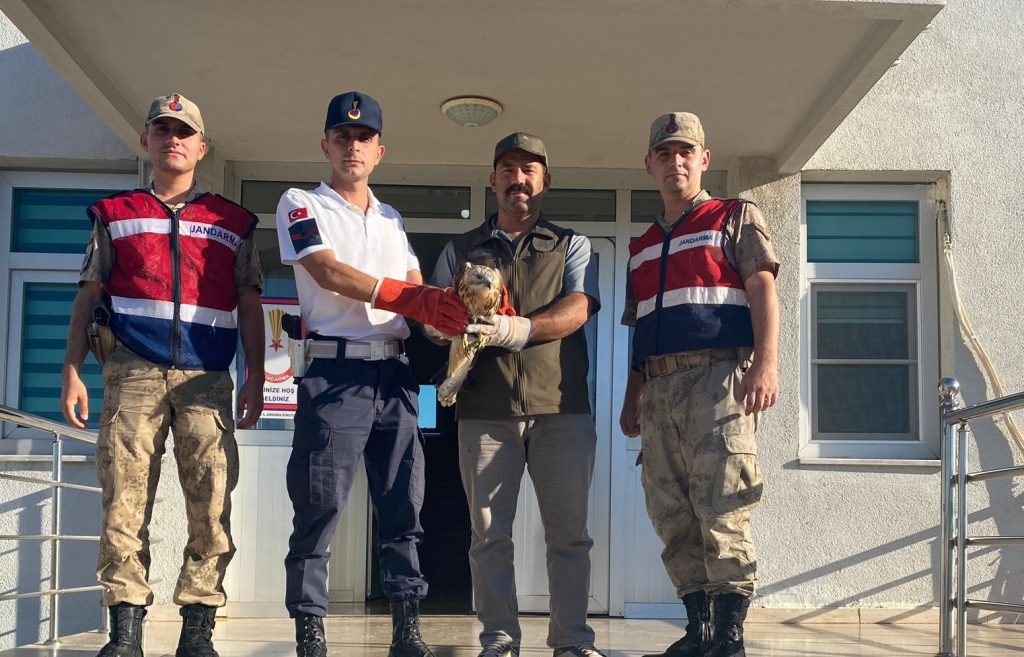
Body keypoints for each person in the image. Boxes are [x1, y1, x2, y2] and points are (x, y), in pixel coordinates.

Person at [60, 93, 266, 657]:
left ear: (202, 147)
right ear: (146, 140)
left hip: (207, 378)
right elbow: (88, 295)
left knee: (211, 503)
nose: (173, 139)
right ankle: (125, 631)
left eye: (184, 132)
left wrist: (254, 376)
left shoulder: (232, 222)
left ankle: (198, 629)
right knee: (123, 502)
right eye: (162, 130)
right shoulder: (115, 214)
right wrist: (72, 370)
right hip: (132, 372)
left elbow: (250, 303)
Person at [275, 91, 467, 657]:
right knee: (320, 506)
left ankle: (406, 626)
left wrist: (449, 321)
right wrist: (415, 299)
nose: (352, 146)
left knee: (404, 505)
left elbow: (416, 290)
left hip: (397, 376)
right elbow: (326, 271)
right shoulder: (300, 203)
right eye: (342, 136)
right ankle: (310, 630)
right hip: (334, 374)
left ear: (380, 151)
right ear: (325, 145)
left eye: (364, 139)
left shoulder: (390, 218)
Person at [429, 132, 604, 657]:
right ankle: (500, 640)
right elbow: (433, 318)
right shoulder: (461, 250)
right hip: (484, 411)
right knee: (488, 537)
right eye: (507, 169)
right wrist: (439, 325)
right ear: (493, 180)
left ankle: (572, 642)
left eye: (529, 170)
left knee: (569, 537)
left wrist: (518, 329)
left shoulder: (571, 244)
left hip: (561, 409)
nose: (518, 179)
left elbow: (578, 307)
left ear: (545, 181)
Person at [618, 112, 780, 657]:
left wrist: (766, 364)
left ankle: (729, 637)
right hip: (659, 391)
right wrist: (632, 397)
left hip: (718, 381)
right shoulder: (641, 247)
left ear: (704, 159)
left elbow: (763, 290)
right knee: (672, 513)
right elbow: (641, 330)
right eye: (664, 153)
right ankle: (698, 631)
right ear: (649, 164)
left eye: (686, 151)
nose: (676, 162)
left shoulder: (734, 216)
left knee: (723, 506)